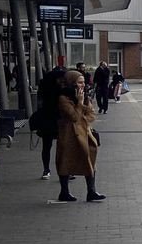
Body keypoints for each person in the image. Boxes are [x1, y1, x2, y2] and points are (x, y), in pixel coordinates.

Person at [55, 70, 104, 202]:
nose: (83, 85)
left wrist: (83, 113)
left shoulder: (85, 96)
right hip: (69, 135)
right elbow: (74, 116)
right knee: (65, 161)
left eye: (83, 82)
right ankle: (64, 192)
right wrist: (80, 103)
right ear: (72, 83)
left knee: (90, 159)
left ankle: (91, 191)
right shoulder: (63, 98)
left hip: (84, 134)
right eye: (79, 82)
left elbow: (91, 114)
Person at [34, 66, 67, 180]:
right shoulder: (59, 90)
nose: (62, 81)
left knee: (47, 146)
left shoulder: (46, 88)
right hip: (54, 121)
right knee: (59, 146)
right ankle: (61, 170)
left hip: (48, 121)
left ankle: (47, 170)